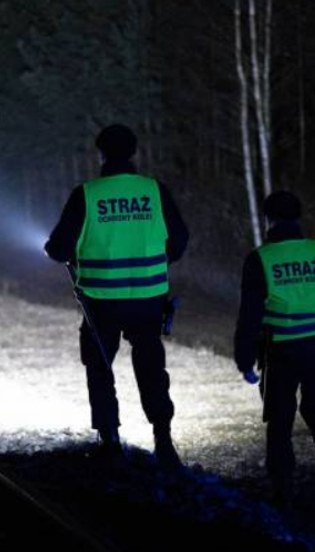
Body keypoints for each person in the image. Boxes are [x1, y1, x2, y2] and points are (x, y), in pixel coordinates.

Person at [45, 124, 189, 468]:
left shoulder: (87, 194)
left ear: (101, 154)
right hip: (148, 300)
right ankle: (163, 439)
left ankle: (110, 440)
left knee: (99, 367)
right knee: (152, 366)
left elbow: (58, 247)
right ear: (134, 153)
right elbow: (180, 241)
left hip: (101, 302)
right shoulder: (155, 191)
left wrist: (66, 253)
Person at [234, 191, 315, 503]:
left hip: (282, 350)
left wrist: (245, 359)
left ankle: (282, 489)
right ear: (298, 217)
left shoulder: (260, 259)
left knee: (279, 419)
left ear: (268, 219)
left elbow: (249, 316)